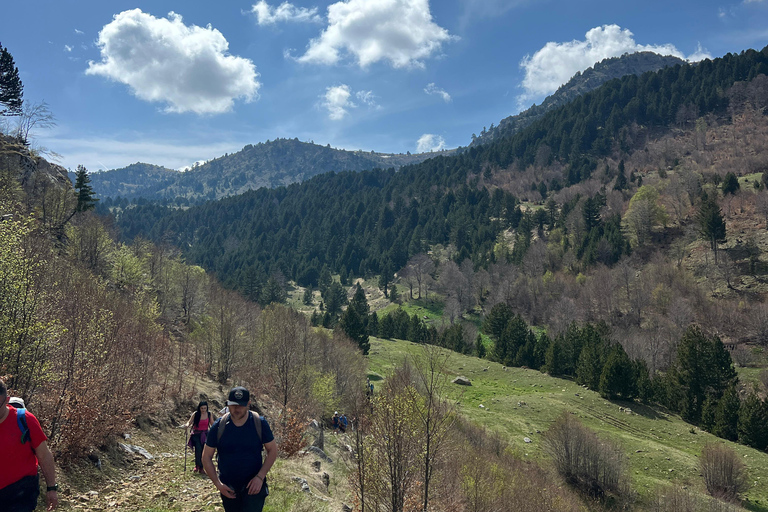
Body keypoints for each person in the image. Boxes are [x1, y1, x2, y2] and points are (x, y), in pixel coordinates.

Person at [202, 386, 277, 512]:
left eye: (241, 405)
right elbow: (206, 457)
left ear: (248, 404)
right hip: (229, 487)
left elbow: (273, 450)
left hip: (254, 486)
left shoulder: (259, 423)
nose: (237, 409)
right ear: (228, 404)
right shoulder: (219, 426)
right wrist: (218, 484)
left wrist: (260, 477)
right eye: (233, 405)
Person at [0, 379, 58, 511]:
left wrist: (51, 488)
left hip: (20, 492)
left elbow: (44, 455)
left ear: (7, 400)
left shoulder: (25, 420)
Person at [185, 401, 213, 474]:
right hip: (196, 434)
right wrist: (186, 425)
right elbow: (189, 422)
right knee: (198, 450)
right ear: (199, 408)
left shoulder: (209, 414)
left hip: (205, 434)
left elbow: (212, 424)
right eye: (202, 408)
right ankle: (197, 465)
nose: (203, 410)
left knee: (204, 451)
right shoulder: (196, 414)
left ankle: (201, 467)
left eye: (205, 408)